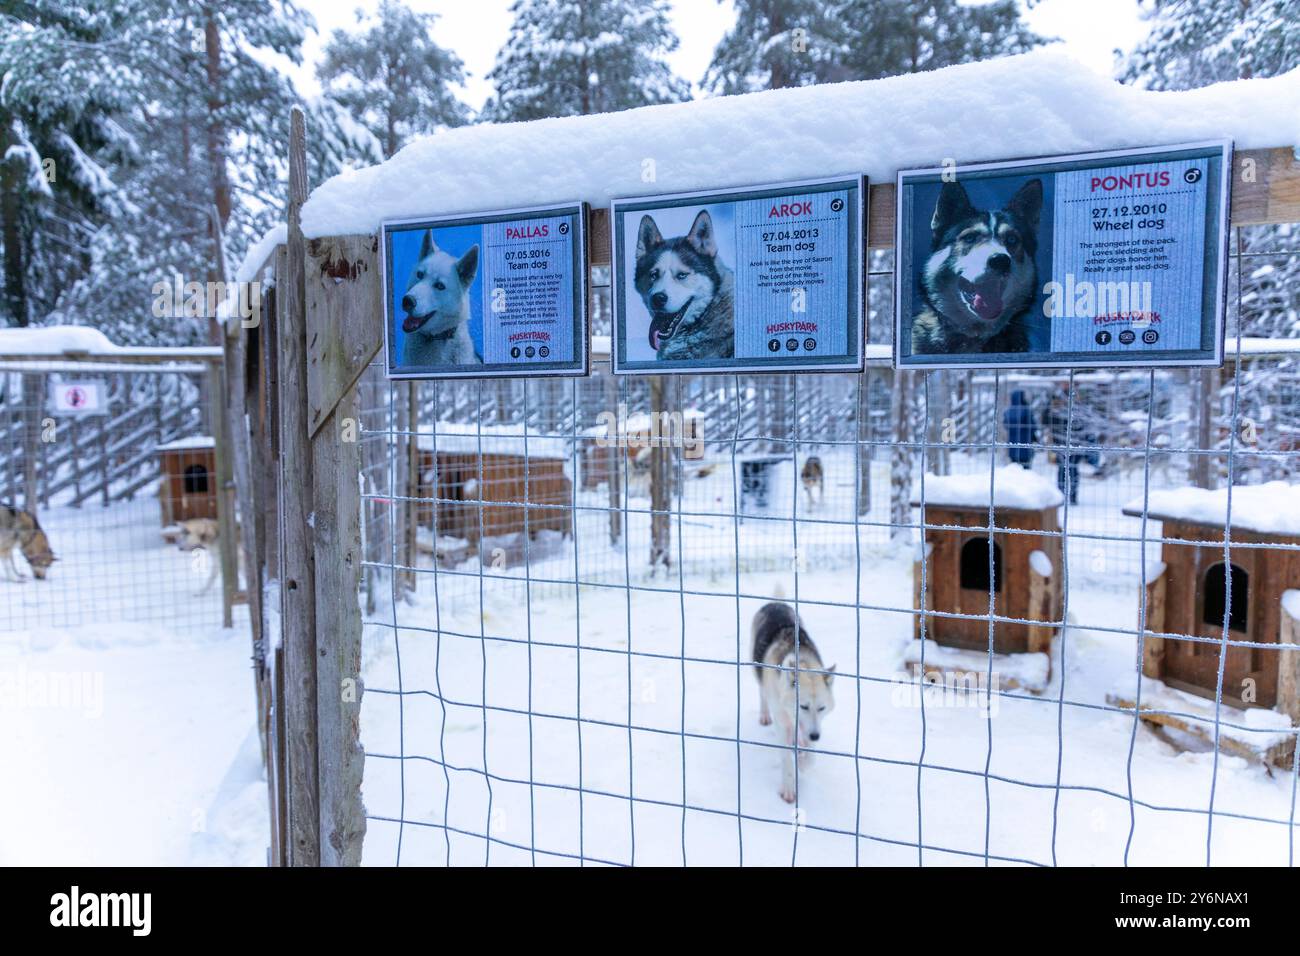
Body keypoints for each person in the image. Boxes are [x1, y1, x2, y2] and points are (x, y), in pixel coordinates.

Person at [1042, 389, 1085, 505]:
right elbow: (1045, 420)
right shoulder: (1056, 411)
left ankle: (1073, 496)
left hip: (1075, 446)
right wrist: (1050, 405)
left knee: (1072, 470)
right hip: (1061, 446)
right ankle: (1061, 496)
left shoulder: (1076, 411)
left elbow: (1083, 426)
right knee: (1063, 470)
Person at [1002, 389, 1037, 468]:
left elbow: (1005, 425)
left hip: (1012, 445)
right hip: (1026, 444)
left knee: (1014, 468)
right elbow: (1033, 426)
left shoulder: (1008, 411)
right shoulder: (1027, 410)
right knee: (1026, 469)